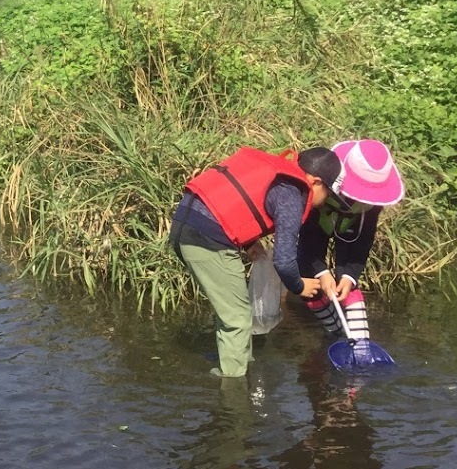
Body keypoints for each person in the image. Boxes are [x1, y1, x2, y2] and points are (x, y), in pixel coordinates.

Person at [169, 146, 342, 378]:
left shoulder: (277, 173)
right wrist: (299, 286)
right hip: (206, 239)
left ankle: (238, 365)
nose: (325, 200)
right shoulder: (293, 194)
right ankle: (234, 392)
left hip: (184, 226)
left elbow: (231, 201)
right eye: (329, 193)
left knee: (233, 312)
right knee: (238, 320)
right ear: (316, 181)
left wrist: (249, 241)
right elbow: (283, 260)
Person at [299, 139, 405, 348]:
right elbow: (308, 240)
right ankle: (334, 328)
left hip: (351, 229)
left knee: (345, 281)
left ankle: (359, 344)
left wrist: (349, 276)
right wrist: (321, 272)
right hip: (319, 223)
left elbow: (363, 241)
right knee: (307, 275)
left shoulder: (370, 208)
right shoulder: (320, 192)